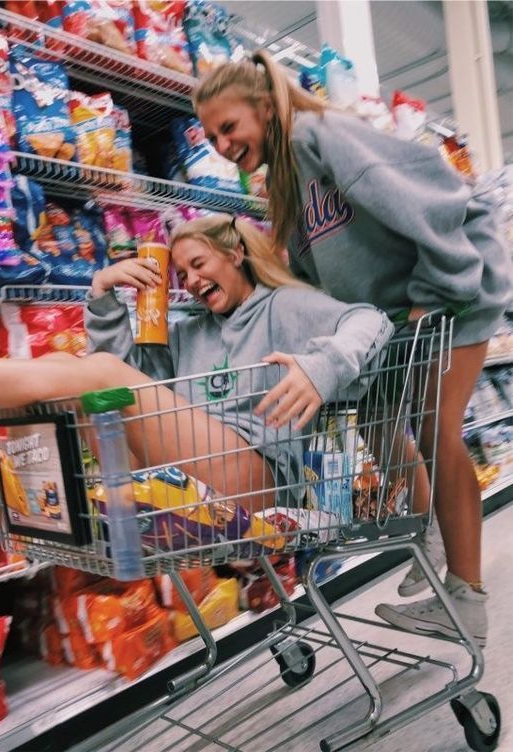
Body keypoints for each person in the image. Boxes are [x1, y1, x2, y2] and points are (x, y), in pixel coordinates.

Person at [193, 51, 513, 647]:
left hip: (454, 287)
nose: (221, 143)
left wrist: (433, 292)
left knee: (435, 429)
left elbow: (431, 198)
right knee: (372, 413)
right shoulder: (287, 181)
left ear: (264, 107)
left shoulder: (321, 134)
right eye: (211, 135)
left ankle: (465, 600)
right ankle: (432, 536)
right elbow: (318, 285)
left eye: (229, 126)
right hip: (401, 310)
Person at [0, 214, 392, 520]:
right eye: (182, 275)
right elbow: (123, 387)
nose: (194, 282)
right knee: (71, 367)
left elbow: (371, 320)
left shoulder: (284, 306)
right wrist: (103, 294)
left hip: (259, 480)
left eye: (199, 265)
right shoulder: (190, 332)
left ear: (236, 253)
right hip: (191, 469)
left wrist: (323, 367)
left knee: (100, 372)